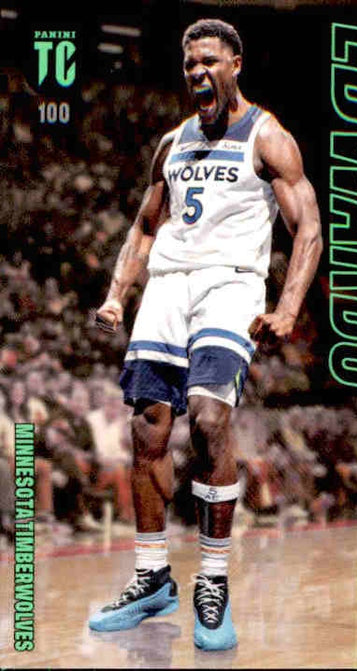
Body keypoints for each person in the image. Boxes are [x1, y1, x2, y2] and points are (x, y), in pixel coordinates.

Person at [88, 18, 322, 651]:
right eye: (190, 63)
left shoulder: (267, 136)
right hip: (168, 285)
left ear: (235, 64)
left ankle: (212, 583)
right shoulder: (173, 142)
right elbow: (145, 227)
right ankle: (151, 576)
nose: (197, 72)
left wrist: (288, 306)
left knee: (210, 417)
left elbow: (307, 226)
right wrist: (117, 294)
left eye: (209, 61)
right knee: (147, 428)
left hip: (229, 284)